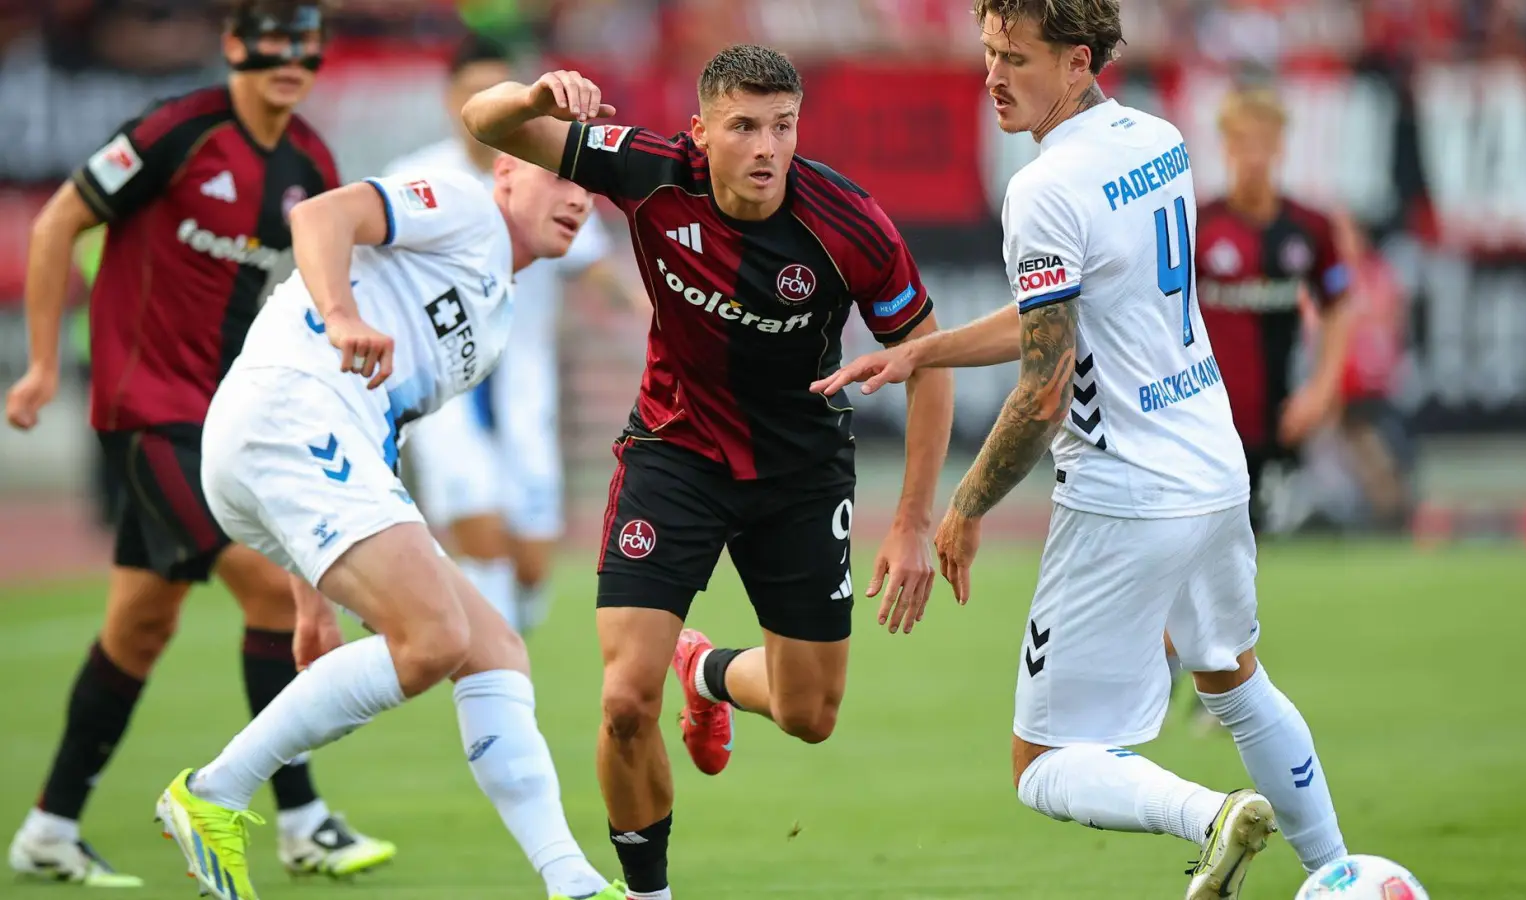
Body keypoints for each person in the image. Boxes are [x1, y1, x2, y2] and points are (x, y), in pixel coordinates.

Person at [814, 2, 1349, 896]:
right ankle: (1339, 872)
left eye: (1016, 58)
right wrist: (923, 352)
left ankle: (1211, 816)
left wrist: (965, 507)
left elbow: (1044, 385)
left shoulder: (1044, 188)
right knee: (1236, 682)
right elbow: (1068, 313)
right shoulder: (1158, 140)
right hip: (1212, 469)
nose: (993, 77)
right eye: (989, 53)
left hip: (1124, 494)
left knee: (1043, 762)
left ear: (1078, 62)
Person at [462, 44, 955, 900]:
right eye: (744, 127)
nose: (767, 148)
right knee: (624, 701)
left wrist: (912, 520)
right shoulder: (650, 171)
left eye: (783, 127)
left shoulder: (850, 224)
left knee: (809, 715)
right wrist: (536, 97)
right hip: (675, 452)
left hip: (800, 475)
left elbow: (930, 361)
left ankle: (707, 672)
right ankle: (647, 892)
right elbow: (484, 122)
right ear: (701, 132)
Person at [155, 157, 625, 900]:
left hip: (310, 448)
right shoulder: (464, 204)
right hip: (289, 411)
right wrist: (341, 314)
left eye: (587, 188)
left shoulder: (494, 321)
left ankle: (572, 881)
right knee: (433, 639)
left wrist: (312, 596)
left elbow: (381, 430)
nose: (578, 199)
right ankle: (215, 791)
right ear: (505, 171)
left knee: (494, 649)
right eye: (559, 178)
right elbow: (319, 216)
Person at [3, 1, 392, 884]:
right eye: (270, 40)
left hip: (225, 419)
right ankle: (302, 819)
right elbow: (57, 221)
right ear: (232, 45)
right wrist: (39, 368)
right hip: (144, 412)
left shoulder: (311, 165)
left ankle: (48, 828)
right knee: (269, 587)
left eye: (305, 44)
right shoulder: (175, 131)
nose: (288, 58)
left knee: (138, 627)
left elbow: (322, 290)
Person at [383, 34, 647, 632]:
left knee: (530, 561)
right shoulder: (414, 177)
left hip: (524, 383)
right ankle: (487, 663)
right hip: (445, 384)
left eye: (495, 88)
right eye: (472, 90)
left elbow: (592, 265)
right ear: (450, 98)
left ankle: (499, 638)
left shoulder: (549, 176)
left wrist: (648, 308)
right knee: (480, 527)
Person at [1194, 84, 1354, 536]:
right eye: (1242, 142)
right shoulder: (1197, 225)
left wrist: (1321, 390)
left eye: (1263, 143)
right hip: (1209, 425)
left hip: (1282, 422)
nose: (1253, 157)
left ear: (1281, 146)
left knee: (1276, 548)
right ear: (1224, 146)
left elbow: (1339, 306)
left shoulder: (1311, 228)